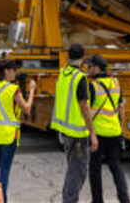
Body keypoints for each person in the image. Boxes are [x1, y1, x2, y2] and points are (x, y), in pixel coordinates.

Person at [0, 58, 36, 203]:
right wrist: (32, 91)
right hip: (8, 136)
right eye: (13, 70)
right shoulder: (13, 89)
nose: (15, 73)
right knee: (4, 171)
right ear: (6, 71)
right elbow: (27, 109)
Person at [52, 43, 98, 203]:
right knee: (77, 172)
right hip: (78, 134)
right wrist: (93, 133)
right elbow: (84, 106)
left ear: (68, 57)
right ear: (83, 58)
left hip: (66, 131)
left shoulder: (63, 73)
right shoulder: (80, 78)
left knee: (73, 170)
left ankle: (68, 199)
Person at [88, 54, 130, 203]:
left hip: (99, 134)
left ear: (97, 68)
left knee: (95, 169)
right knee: (116, 166)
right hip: (114, 132)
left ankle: (97, 200)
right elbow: (121, 106)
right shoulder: (116, 83)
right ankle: (124, 198)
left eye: (90, 66)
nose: (88, 69)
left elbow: (86, 110)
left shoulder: (93, 86)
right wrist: (122, 126)